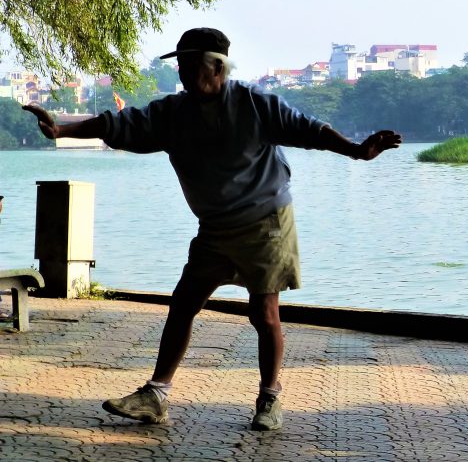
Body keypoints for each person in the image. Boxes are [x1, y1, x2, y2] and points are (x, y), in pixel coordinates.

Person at [23, 28, 401, 431]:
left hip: (265, 222)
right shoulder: (173, 114)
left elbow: (310, 129)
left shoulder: (256, 105)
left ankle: (269, 399)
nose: (183, 74)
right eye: (181, 66)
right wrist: (63, 128)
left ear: (217, 67)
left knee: (264, 313)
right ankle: (156, 395)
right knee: (184, 303)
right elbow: (118, 125)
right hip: (215, 228)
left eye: (190, 65)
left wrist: (357, 150)